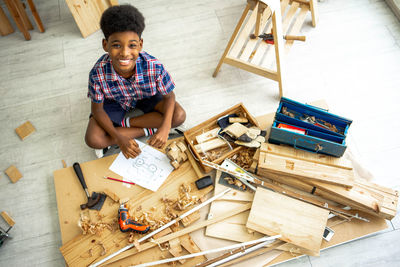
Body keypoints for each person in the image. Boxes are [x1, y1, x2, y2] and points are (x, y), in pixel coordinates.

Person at [85, 4, 186, 159]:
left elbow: (169, 96)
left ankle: (126, 124)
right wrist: (120, 139)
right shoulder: (97, 74)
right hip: (114, 103)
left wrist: (165, 128)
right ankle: (144, 130)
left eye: (132, 45)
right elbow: (97, 110)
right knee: (93, 139)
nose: (125, 53)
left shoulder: (154, 66)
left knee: (178, 116)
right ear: (105, 45)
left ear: (140, 44)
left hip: (147, 97)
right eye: (116, 45)